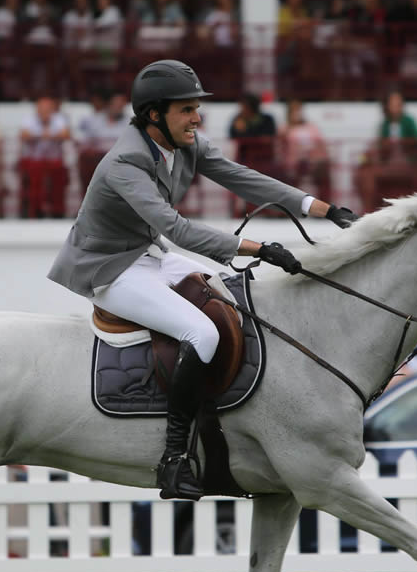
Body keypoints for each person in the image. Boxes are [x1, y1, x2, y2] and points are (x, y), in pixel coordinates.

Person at [47, 60, 356, 501]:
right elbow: (180, 230)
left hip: (148, 255)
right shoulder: (124, 163)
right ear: (154, 115)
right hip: (110, 269)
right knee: (202, 332)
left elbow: (244, 179)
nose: (197, 118)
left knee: (227, 291)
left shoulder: (185, 144)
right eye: (186, 110)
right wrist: (259, 248)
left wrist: (321, 208)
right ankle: (174, 458)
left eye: (197, 109)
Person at [19, 95, 71, 218]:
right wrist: (48, 135)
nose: (45, 112)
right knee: (34, 171)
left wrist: (39, 135)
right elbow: (24, 135)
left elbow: (65, 134)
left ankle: (57, 211)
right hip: (35, 161)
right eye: (42, 109)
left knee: (59, 174)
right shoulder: (29, 119)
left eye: (48, 109)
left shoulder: (59, 119)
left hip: (53, 162)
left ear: (52, 109)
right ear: (37, 109)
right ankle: (35, 211)